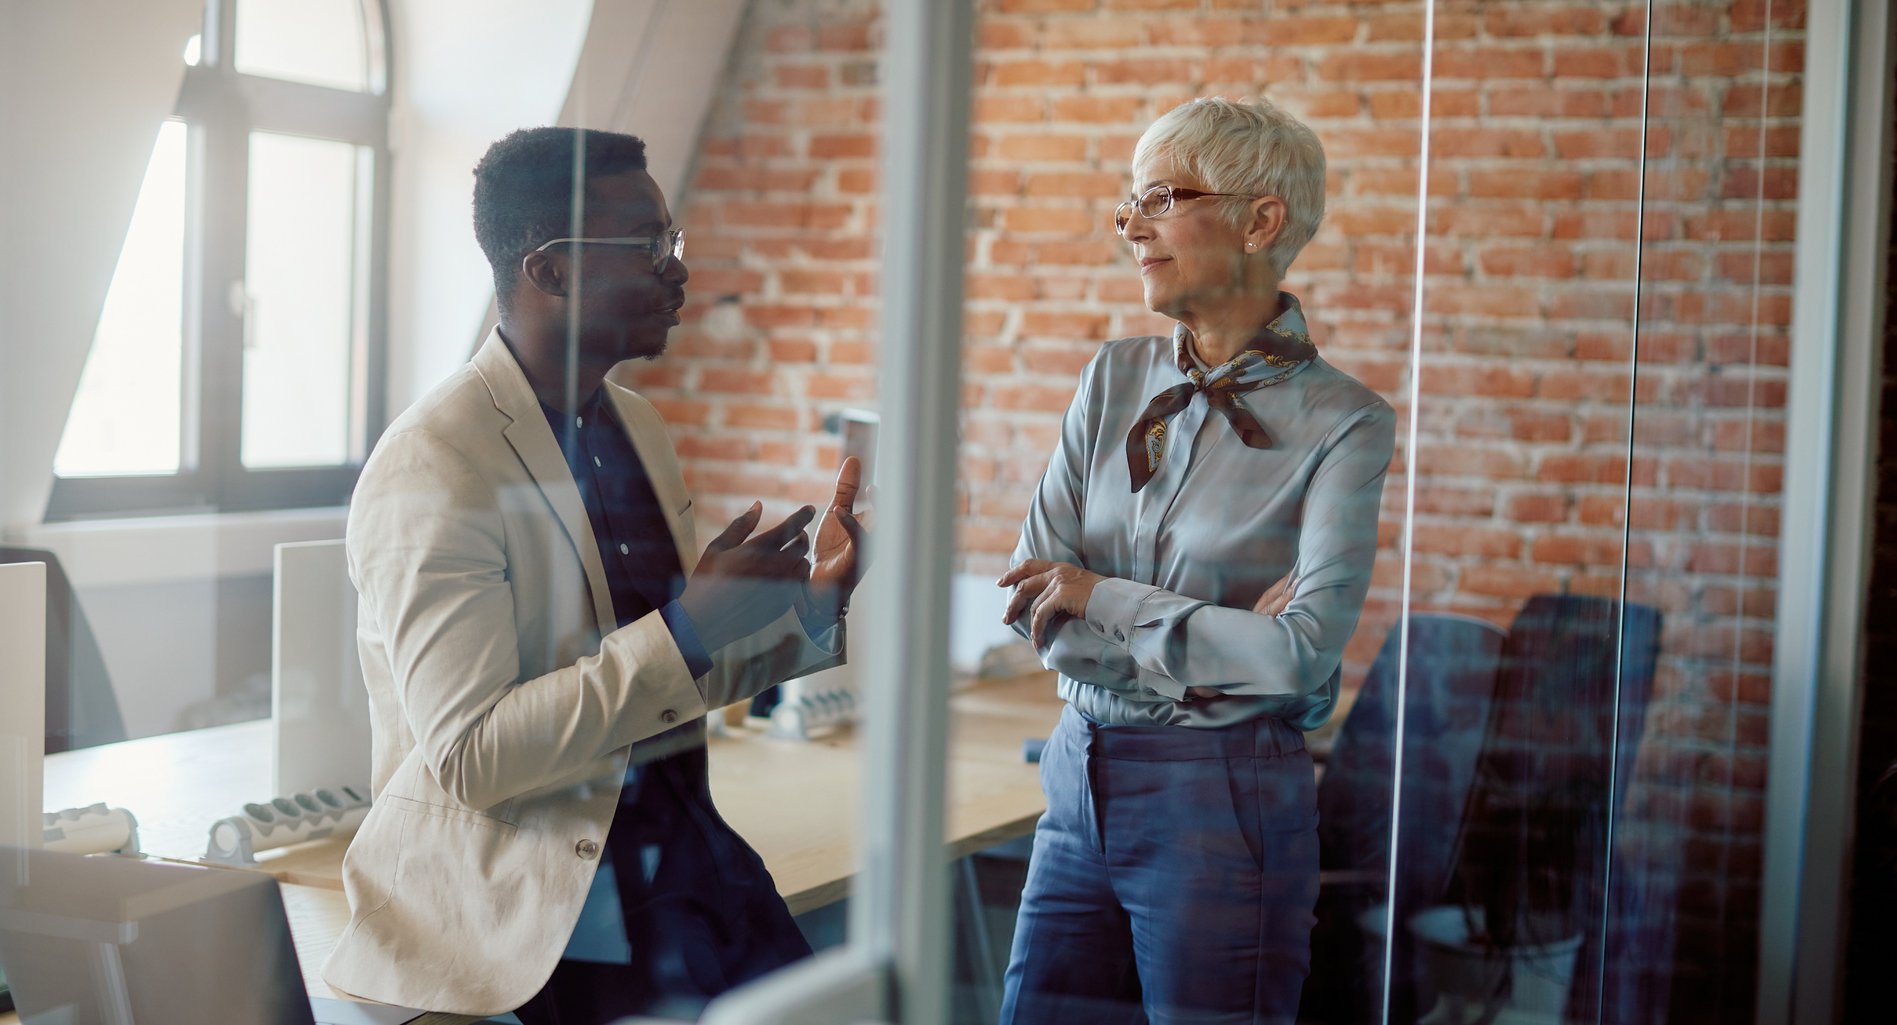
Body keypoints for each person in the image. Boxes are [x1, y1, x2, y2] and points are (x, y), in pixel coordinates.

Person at [321, 126, 867, 1023]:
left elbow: (658, 689)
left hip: (680, 870)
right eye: (649, 246)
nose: (677, 270)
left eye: (671, 242)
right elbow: (471, 756)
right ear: (551, 271)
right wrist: (690, 627)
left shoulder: (636, 427)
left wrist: (807, 607)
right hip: (537, 916)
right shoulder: (435, 461)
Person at [995, 97, 1395, 1024]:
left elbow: (1298, 656)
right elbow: (1029, 605)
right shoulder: (1110, 378)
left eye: (1162, 197)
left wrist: (1099, 594)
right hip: (1075, 768)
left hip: (1223, 800)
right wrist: (1213, 648)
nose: (1130, 224)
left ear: (1261, 221)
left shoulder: (1345, 424)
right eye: (1127, 202)